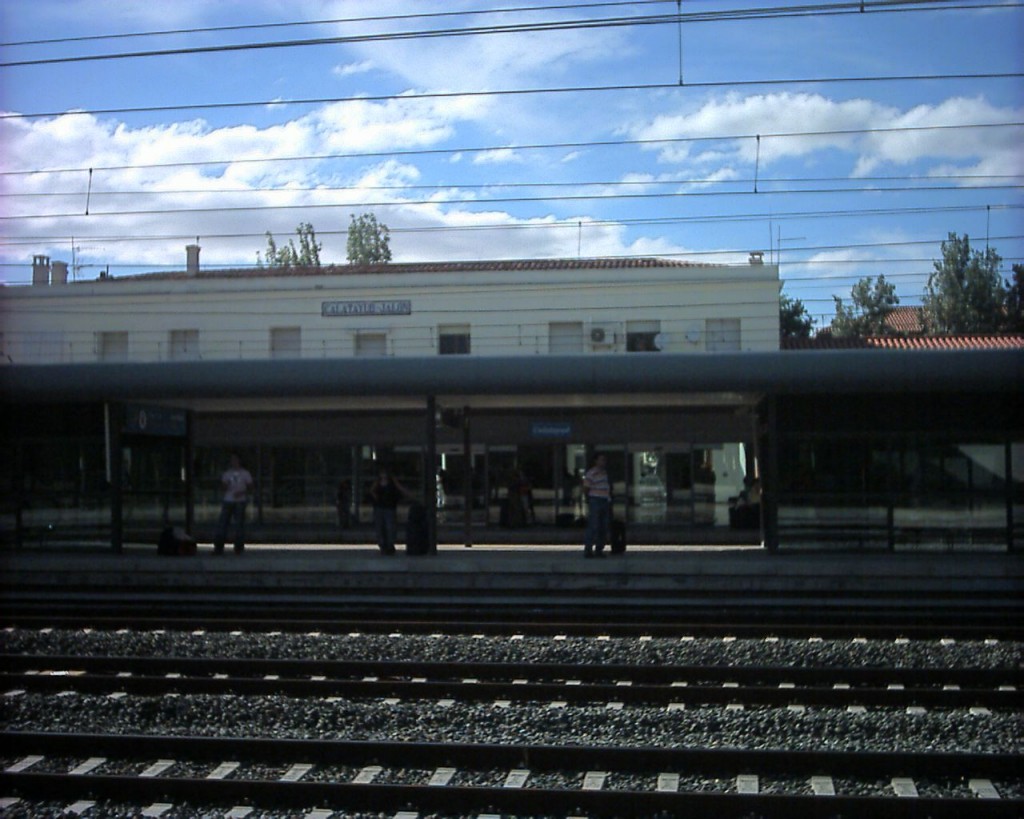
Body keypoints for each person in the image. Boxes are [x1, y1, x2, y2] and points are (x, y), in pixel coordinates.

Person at [214, 454, 254, 555]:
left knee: (239, 524)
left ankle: (238, 547)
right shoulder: (227, 474)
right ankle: (219, 547)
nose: (234, 462)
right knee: (223, 523)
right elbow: (222, 487)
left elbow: (250, 487)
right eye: (232, 460)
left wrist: (242, 492)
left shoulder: (245, 473)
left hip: (240, 500)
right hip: (228, 500)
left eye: (235, 460)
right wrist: (225, 485)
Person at [369, 468, 412, 555]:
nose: (383, 475)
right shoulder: (377, 482)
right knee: (380, 527)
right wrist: (376, 497)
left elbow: (400, 488)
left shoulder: (392, 482)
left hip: (389, 507)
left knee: (390, 527)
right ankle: (383, 545)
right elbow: (372, 490)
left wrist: (408, 494)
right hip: (380, 507)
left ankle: (389, 545)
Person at [582, 454, 611, 558]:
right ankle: (588, 550)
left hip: (604, 500)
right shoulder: (591, 473)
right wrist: (588, 499)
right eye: (601, 460)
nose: (603, 462)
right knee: (594, 525)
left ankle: (599, 549)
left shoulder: (604, 473)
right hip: (595, 500)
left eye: (604, 460)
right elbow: (586, 487)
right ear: (596, 461)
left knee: (603, 526)